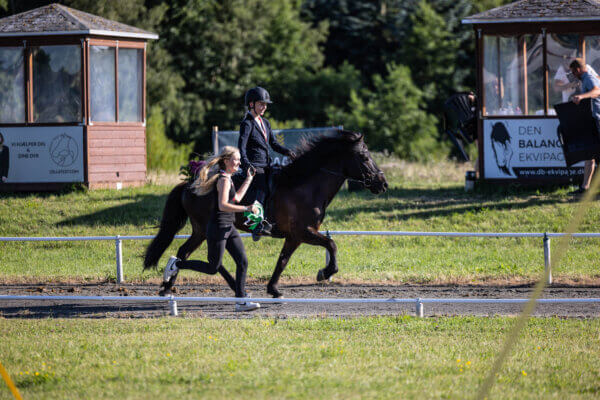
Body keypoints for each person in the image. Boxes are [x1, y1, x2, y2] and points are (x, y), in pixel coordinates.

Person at [162, 146, 261, 312]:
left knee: (242, 261)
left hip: (229, 227)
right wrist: (247, 209)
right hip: (218, 227)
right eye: (235, 159)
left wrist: (248, 180)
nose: (239, 162)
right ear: (226, 161)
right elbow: (223, 205)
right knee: (213, 268)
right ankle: (177, 264)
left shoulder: (228, 178)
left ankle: (241, 300)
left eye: (239, 160)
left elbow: (235, 198)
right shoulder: (222, 180)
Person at [238, 87, 295, 241]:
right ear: (251, 104)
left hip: (267, 164)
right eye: (261, 104)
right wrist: (247, 164)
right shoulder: (247, 123)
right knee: (262, 187)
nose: (264, 107)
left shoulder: (265, 122)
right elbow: (241, 147)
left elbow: (273, 143)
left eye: (265, 104)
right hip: (255, 166)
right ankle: (256, 226)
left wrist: (287, 152)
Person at [568, 58, 600, 196]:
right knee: (590, 154)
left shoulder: (588, 77)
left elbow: (597, 91)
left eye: (573, 72)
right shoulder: (585, 78)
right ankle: (585, 187)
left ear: (578, 70)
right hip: (592, 121)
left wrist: (581, 96)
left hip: (598, 120)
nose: (573, 75)